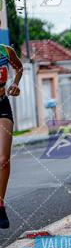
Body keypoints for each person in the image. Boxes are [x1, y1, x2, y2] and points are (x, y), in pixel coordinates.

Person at [0, 43, 23, 229]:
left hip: (2, 105)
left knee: (3, 159)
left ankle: (0, 205)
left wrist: (15, 83)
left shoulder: (6, 50)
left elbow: (19, 67)